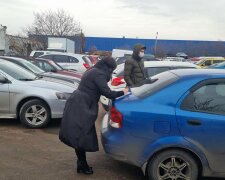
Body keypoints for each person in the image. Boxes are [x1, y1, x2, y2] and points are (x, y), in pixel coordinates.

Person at [59, 57, 128, 175]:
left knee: (80, 135)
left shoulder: (93, 70)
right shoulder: (99, 74)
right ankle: (83, 165)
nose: (111, 72)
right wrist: (123, 92)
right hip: (82, 105)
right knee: (81, 135)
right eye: (111, 69)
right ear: (108, 68)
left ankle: (81, 163)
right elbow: (108, 93)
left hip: (79, 102)